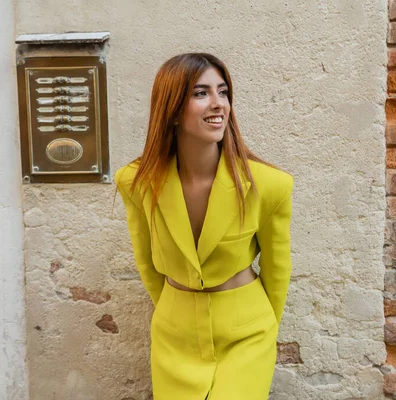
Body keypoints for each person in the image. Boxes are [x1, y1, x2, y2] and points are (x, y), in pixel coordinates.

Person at [115, 53, 293, 400]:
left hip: (246, 332)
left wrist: (266, 326)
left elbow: (277, 268)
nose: (218, 104)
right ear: (171, 109)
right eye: (201, 93)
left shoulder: (269, 185)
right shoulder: (136, 182)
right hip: (174, 333)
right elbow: (148, 263)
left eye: (223, 92)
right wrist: (175, 307)